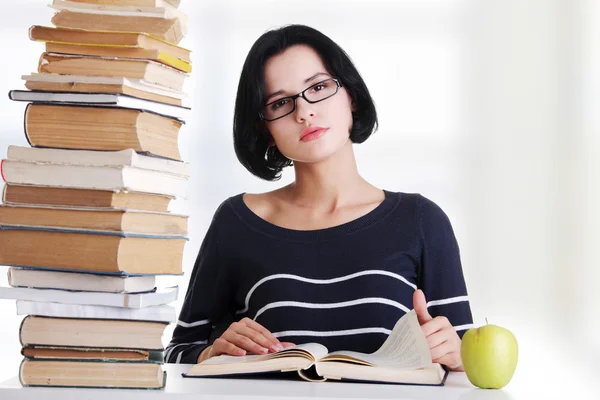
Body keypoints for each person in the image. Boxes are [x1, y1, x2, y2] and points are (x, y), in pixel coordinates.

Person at [165, 24, 473, 372]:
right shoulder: (236, 221)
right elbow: (176, 353)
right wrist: (211, 353)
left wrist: (457, 355)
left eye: (319, 87)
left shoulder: (421, 220)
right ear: (264, 128)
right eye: (281, 102)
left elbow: (467, 359)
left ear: (351, 96)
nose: (304, 111)